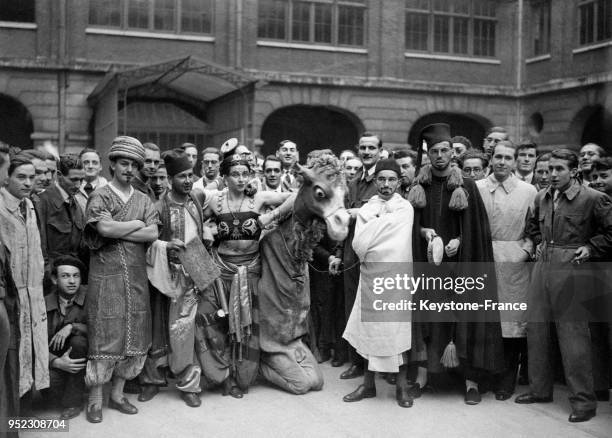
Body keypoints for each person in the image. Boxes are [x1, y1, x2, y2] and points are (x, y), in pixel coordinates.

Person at [407, 123, 503, 405]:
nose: (440, 155)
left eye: (445, 150)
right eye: (434, 151)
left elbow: (477, 230)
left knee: (466, 321)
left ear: (452, 152)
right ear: (428, 154)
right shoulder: (419, 186)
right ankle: (423, 379)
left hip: (462, 267)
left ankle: (471, 383)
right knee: (428, 321)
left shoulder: (468, 186)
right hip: (429, 268)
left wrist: (461, 241)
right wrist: (425, 233)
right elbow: (411, 225)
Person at [516, 149, 612, 423]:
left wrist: (590, 247)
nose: (552, 175)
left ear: (574, 171)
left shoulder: (594, 199)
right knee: (537, 330)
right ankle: (539, 389)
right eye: (548, 170)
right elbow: (532, 225)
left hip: (573, 267)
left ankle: (584, 401)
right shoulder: (542, 196)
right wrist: (538, 243)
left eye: (559, 169)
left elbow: (610, 232)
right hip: (543, 265)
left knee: (574, 338)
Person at [199, 141, 292, 397]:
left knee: (247, 327)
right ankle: (222, 375)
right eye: (235, 175)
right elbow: (196, 216)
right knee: (217, 324)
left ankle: (243, 376)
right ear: (225, 177)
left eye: (245, 174)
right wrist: (207, 228)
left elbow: (297, 195)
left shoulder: (258, 198)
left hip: (251, 271)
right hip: (222, 272)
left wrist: (271, 217)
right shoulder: (216, 201)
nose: (241, 179)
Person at [83, 136, 159, 423]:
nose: (129, 169)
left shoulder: (143, 199)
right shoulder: (100, 195)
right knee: (105, 333)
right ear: (112, 164)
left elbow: (152, 233)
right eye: (123, 163)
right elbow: (102, 228)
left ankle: (118, 394)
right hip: (106, 276)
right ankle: (95, 400)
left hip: (137, 277)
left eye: (133, 165)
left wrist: (120, 228)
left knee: (134, 333)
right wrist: (136, 224)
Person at [342, 159, 415, 408]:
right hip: (371, 274)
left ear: (399, 181)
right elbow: (359, 243)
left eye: (391, 179)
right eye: (381, 179)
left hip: (395, 277)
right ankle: (368, 384)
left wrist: (374, 225)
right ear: (375, 181)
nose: (386, 184)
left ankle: (402, 386)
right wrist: (375, 225)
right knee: (369, 330)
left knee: (396, 330)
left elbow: (394, 239)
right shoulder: (368, 207)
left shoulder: (405, 208)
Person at [142, 150, 211, 407]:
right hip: (166, 274)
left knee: (186, 330)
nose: (187, 180)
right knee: (158, 328)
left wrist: (203, 273)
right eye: (181, 176)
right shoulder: (158, 207)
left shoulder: (196, 198)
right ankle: (152, 380)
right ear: (170, 179)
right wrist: (165, 245)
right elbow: (148, 242)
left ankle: (189, 384)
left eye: (190, 175)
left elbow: (201, 236)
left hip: (195, 270)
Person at [476, 141, 537, 400]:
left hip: (514, 263)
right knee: (486, 322)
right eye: (498, 157)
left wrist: (525, 251)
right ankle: (486, 375)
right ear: (491, 159)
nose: (502, 162)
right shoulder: (477, 187)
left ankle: (507, 379)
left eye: (507, 157)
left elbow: (536, 227)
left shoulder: (529, 191)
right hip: (483, 257)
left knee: (512, 325)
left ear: (515, 161)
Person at [0, 155, 49, 411]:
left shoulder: (29, 205)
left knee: (28, 353)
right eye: (21, 176)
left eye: (32, 177)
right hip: (9, 295)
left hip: (32, 292)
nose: (29, 182)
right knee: (10, 357)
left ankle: (20, 413)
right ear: (6, 176)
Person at [337, 132, 383, 380]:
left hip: (376, 255)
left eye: (371, 148)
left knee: (374, 309)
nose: (366, 152)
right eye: (363, 148)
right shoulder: (352, 185)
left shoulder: (384, 180)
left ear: (379, 151)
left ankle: (375, 363)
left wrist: (359, 212)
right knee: (350, 308)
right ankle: (356, 361)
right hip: (351, 254)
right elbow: (342, 221)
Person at [44, 256, 88, 420]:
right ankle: (70, 390)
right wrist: (56, 362)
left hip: (84, 358)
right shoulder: (44, 302)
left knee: (78, 341)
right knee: (50, 397)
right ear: (55, 279)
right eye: (65, 276)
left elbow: (102, 330)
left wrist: (73, 327)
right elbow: (35, 342)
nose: (72, 281)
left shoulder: (91, 297)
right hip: (55, 361)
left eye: (76, 276)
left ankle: (74, 402)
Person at [35, 154, 87, 284]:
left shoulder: (76, 203)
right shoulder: (42, 201)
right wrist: (49, 277)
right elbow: (40, 247)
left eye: (81, 180)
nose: (78, 185)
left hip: (71, 278)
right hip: (51, 278)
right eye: (73, 179)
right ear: (59, 175)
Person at [76, 148, 108, 213]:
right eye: (86, 162)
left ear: (100, 167)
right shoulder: (72, 187)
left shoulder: (108, 189)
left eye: (94, 163)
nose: (90, 166)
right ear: (79, 165)